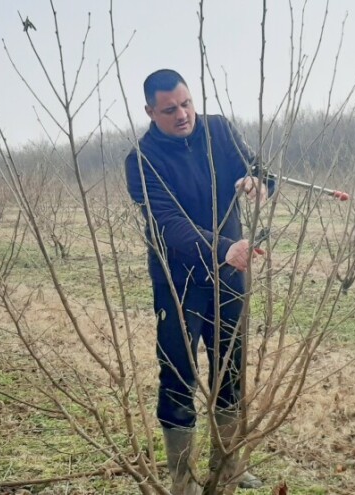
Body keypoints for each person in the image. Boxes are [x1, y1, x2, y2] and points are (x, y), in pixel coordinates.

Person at [125, 69, 273, 494]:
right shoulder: (141, 159)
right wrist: (221, 248)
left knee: (231, 365)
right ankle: (183, 481)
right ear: (150, 111)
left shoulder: (219, 131)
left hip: (231, 275)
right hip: (179, 281)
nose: (183, 114)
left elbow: (262, 169)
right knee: (178, 372)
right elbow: (166, 223)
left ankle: (228, 467)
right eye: (170, 110)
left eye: (187, 103)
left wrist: (257, 181)